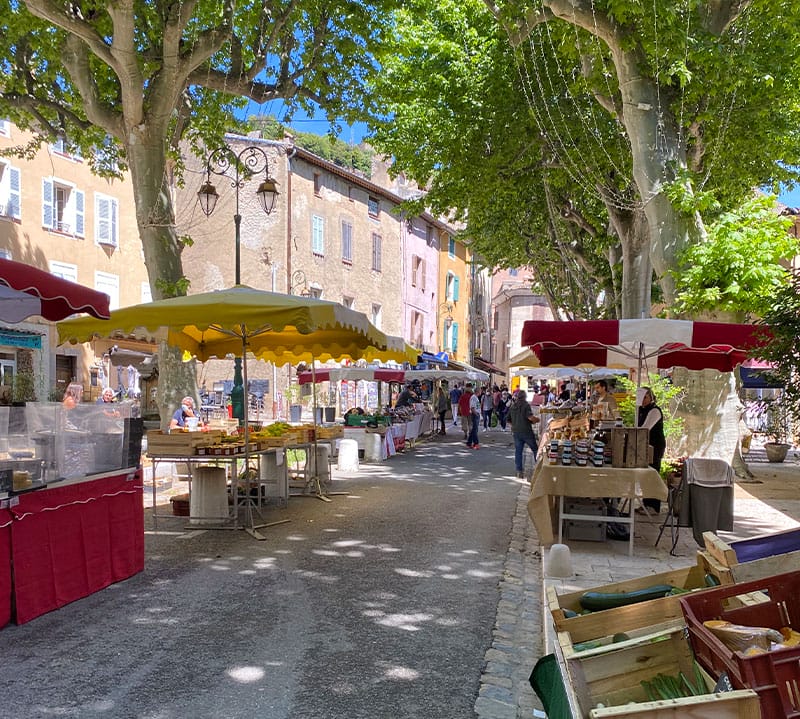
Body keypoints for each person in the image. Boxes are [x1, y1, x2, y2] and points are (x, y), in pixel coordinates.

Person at [638, 387, 666, 513]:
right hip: (645, 445)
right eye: (641, 397)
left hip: (654, 446)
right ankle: (646, 503)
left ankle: (653, 506)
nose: (643, 400)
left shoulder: (655, 411)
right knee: (645, 476)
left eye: (646, 397)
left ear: (651, 397)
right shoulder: (640, 410)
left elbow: (645, 428)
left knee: (652, 474)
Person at [509, 390, 540, 478]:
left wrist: (514, 425)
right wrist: (537, 420)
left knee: (518, 451)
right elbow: (530, 417)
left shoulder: (513, 406)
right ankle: (538, 469)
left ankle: (519, 471)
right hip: (526, 431)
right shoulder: (525, 405)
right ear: (525, 397)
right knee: (535, 449)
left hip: (516, 431)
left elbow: (508, 419)